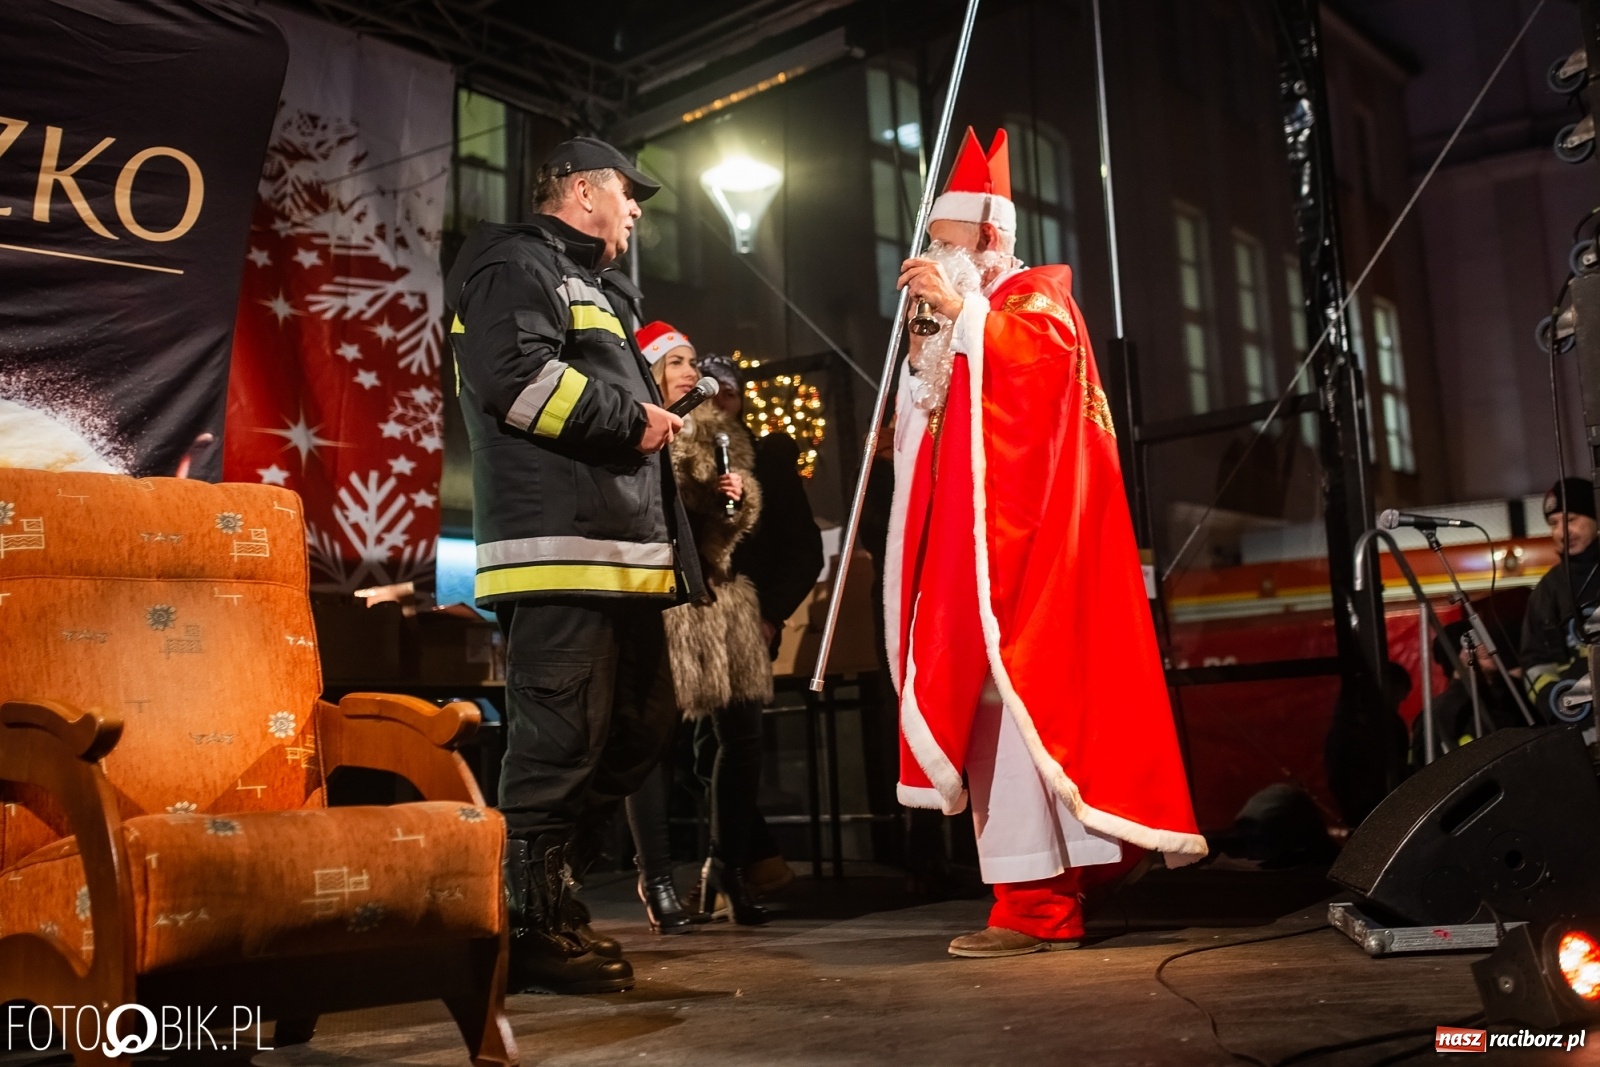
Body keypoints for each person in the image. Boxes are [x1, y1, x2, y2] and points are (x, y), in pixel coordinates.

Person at [888, 128, 1207, 958]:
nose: (934, 259)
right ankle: (1074, 877)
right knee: (999, 719)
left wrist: (962, 314)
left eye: (947, 245)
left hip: (1029, 558)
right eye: (932, 246)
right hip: (980, 558)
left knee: (1025, 711)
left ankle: (1037, 906)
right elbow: (945, 427)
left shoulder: (1035, 299)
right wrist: (924, 362)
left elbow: (1032, 379)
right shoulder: (970, 317)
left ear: (989, 241)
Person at [444, 137, 705, 995]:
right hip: (560, 555)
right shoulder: (513, 263)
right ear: (584, 192)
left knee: (637, 731)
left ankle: (546, 902)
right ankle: (529, 928)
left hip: (615, 557)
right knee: (558, 746)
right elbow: (513, 377)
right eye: (629, 194)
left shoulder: (587, 282)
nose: (635, 212)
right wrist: (632, 419)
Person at [624, 323, 775, 930]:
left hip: (719, 596)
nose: (691, 371)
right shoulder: (634, 424)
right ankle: (657, 878)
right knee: (653, 743)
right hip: (664, 599)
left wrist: (737, 496)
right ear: (650, 371)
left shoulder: (719, 431)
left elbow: (727, 526)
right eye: (676, 362)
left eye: (692, 361)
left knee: (743, 737)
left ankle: (728, 868)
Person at [1522, 476, 1600, 717]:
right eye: (1553, 523)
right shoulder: (1546, 590)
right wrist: (1556, 699)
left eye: (1570, 520)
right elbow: (1534, 662)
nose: (1561, 532)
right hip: (1581, 726)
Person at [1412, 619, 1524, 765]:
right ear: (1458, 654)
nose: (1484, 646)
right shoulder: (1444, 711)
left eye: (1484, 638)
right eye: (1474, 641)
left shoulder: (1513, 695)